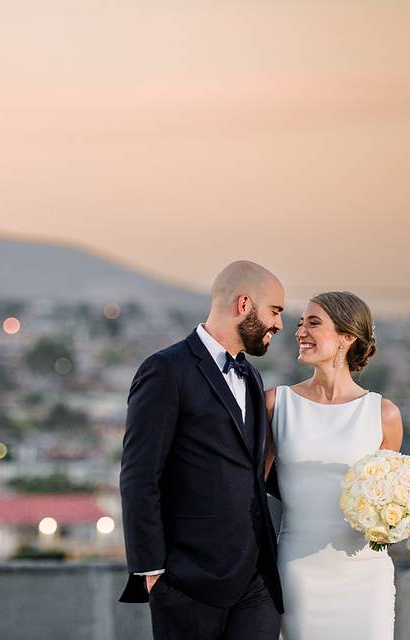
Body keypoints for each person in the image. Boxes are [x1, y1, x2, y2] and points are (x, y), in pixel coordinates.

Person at [119, 260, 286, 640]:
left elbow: (253, 469)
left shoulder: (252, 375)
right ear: (244, 304)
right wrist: (151, 573)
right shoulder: (166, 370)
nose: (278, 324)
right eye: (274, 311)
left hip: (257, 580)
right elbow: (139, 474)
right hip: (188, 580)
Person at [266, 291, 402, 639]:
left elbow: (392, 499)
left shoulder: (383, 414)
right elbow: (250, 491)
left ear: (346, 336)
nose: (300, 332)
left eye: (313, 323)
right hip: (298, 573)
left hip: (365, 576)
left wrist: (397, 520)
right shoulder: (276, 405)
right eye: (299, 324)